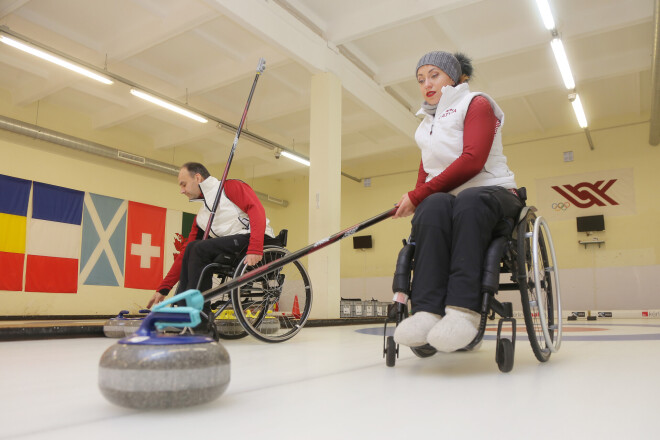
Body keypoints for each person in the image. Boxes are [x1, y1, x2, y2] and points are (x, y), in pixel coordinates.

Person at [392, 51, 523, 353]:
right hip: (451, 203)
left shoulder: (476, 103)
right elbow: (426, 175)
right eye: (421, 79)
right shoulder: (425, 125)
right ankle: (426, 311)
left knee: (469, 200)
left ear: (456, 76)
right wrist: (416, 201)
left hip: (492, 193)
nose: (426, 84)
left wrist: (418, 195)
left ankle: (464, 312)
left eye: (434, 75)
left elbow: (472, 161)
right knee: (433, 207)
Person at [147, 162, 274, 311]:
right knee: (192, 247)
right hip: (233, 249)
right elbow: (184, 254)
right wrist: (164, 288)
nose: (181, 191)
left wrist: (255, 247)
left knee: (199, 248)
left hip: (254, 238)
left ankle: (199, 319)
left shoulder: (229, 187)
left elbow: (256, 209)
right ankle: (182, 311)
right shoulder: (202, 217)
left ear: (198, 178)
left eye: (183, 184)